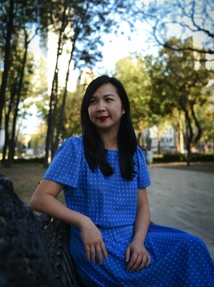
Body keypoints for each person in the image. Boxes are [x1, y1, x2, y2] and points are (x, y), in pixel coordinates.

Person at [30, 75, 214, 287]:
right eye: (93, 101)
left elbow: (142, 206)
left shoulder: (134, 153)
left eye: (108, 99)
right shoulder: (75, 149)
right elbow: (40, 198)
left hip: (134, 238)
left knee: (193, 246)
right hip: (98, 247)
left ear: (123, 108)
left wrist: (138, 241)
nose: (100, 107)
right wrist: (84, 222)